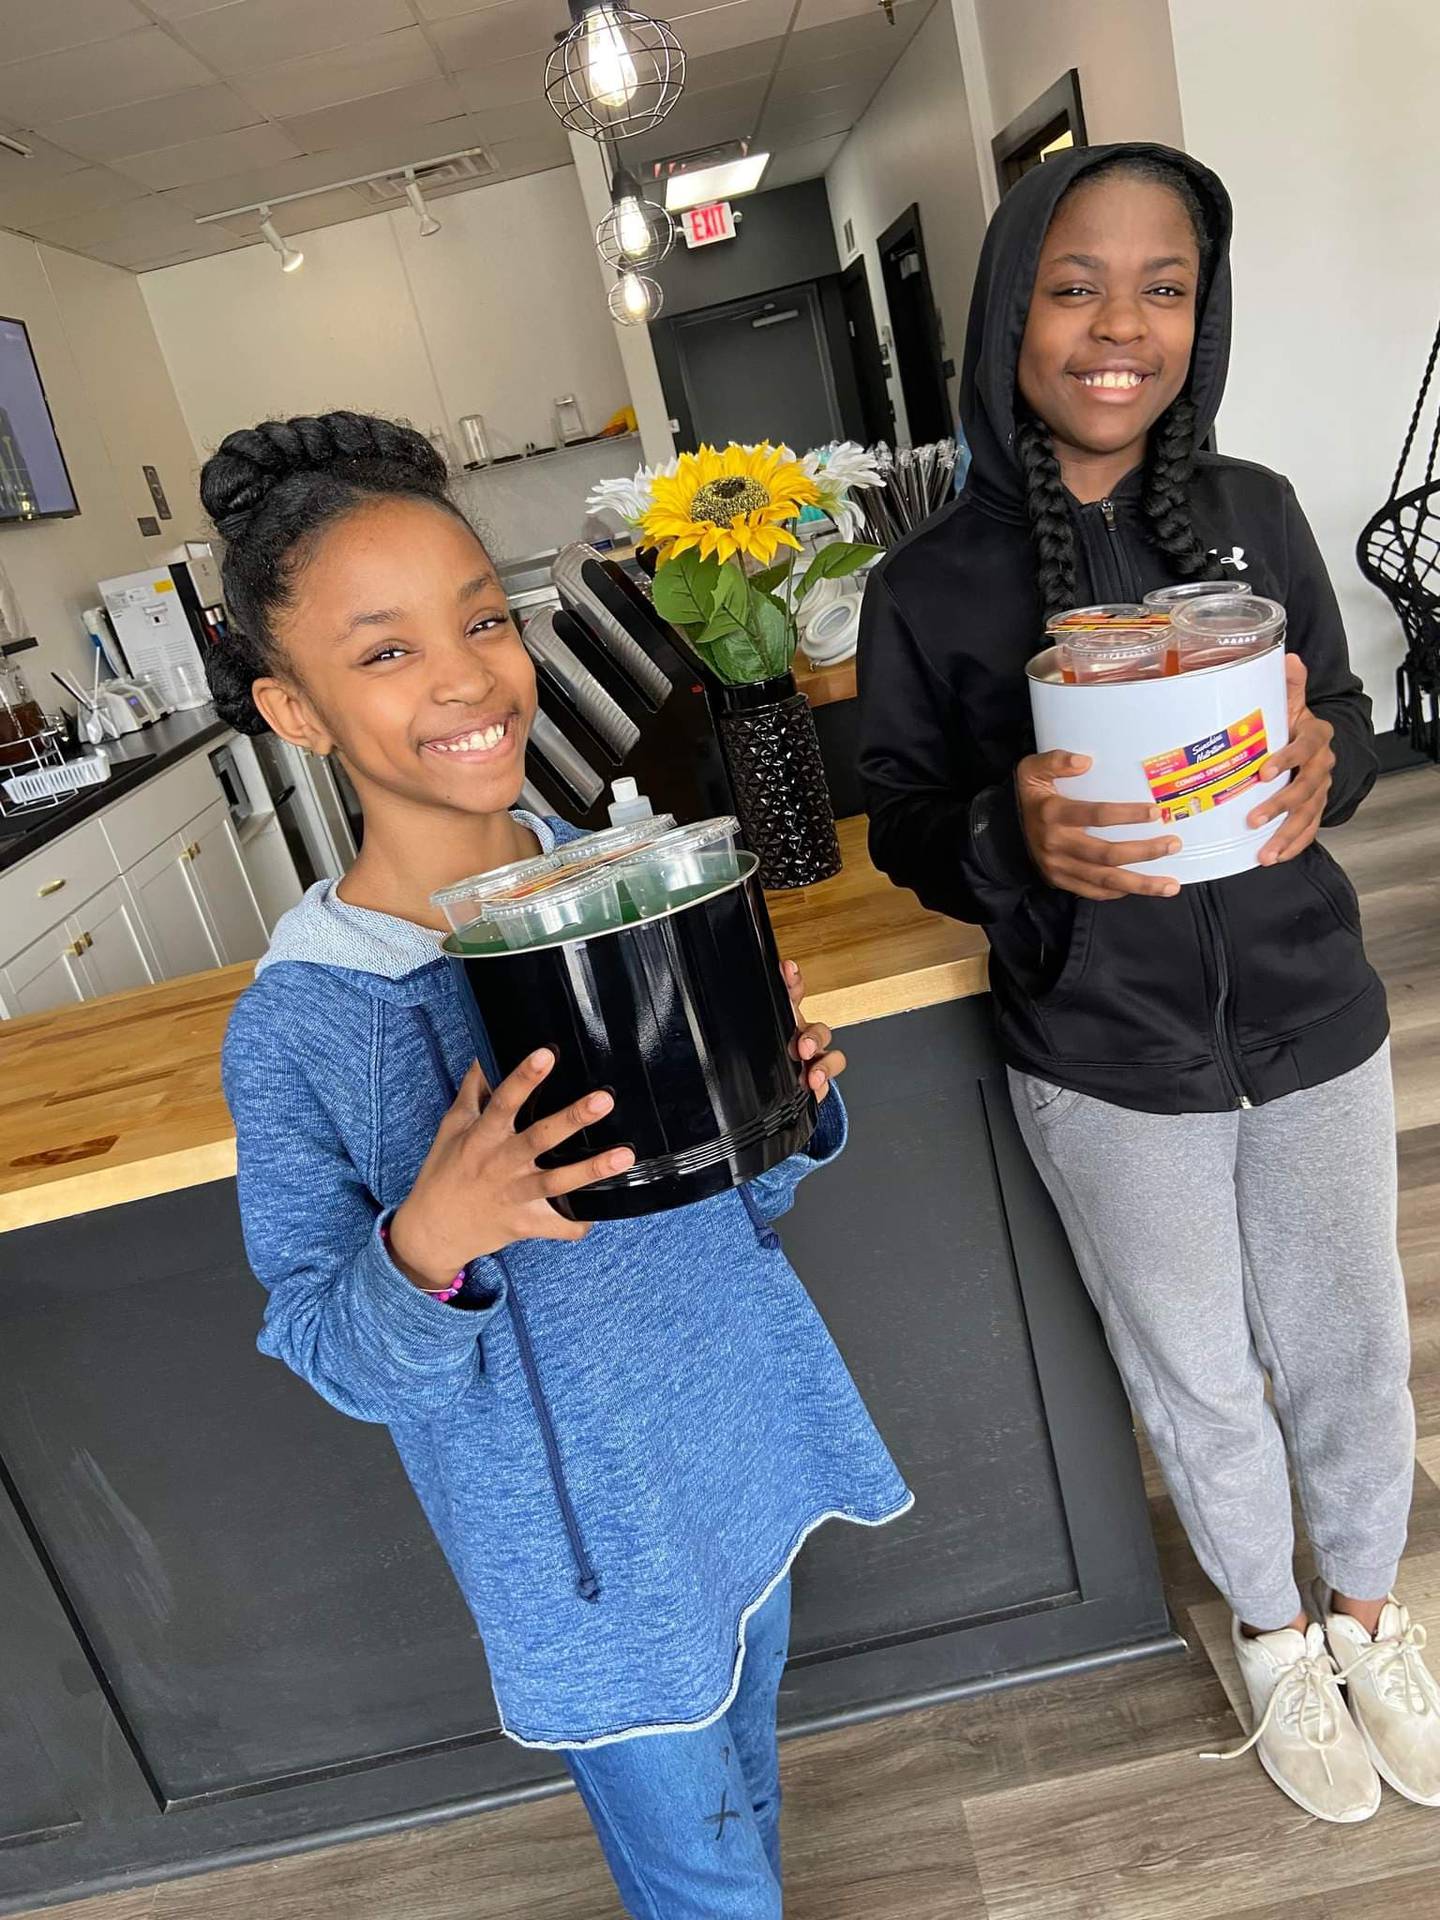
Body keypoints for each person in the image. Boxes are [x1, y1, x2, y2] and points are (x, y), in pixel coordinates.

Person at [205, 411, 912, 1917]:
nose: (467, 677)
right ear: (295, 708)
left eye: (482, 619)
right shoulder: (304, 1027)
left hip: (735, 1438)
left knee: (746, 1801)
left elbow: (728, 1201)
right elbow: (328, 1344)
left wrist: (779, 1108)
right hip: (590, 1557)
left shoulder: (614, 881)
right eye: (384, 652)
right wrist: (428, 1238)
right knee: (702, 1880)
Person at [859, 143, 1439, 1823]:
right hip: (1104, 1051)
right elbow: (900, 819)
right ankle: (1270, 1635)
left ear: (1205, 312)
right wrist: (1004, 830)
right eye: (1074, 283)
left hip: (1311, 1013)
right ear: (1007, 313)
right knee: (1192, 1368)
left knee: (1353, 1345)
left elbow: (1347, 724)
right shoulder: (927, 588)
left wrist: (1333, 756)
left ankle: (1368, 1611)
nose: (1122, 324)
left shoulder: (1256, 512)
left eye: (1165, 286)